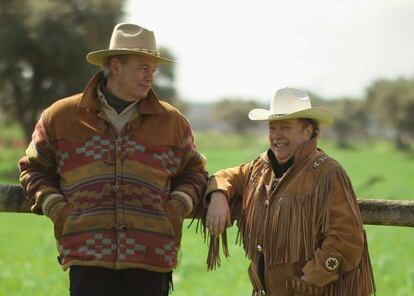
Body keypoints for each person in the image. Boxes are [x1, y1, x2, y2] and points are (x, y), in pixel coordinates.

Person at [19, 23, 208, 296]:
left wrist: (177, 207)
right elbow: (33, 169)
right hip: (86, 255)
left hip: (151, 256)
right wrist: (58, 209)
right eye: (143, 67)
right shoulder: (61, 117)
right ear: (116, 65)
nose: (150, 76)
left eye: (153, 70)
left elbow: (195, 171)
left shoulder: (172, 122)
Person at [202, 87, 375, 296]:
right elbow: (226, 176)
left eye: (285, 127)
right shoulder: (261, 167)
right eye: (272, 128)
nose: (276, 136)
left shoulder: (328, 173)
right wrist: (218, 195)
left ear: (308, 131)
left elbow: (346, 238)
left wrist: (308, 282)